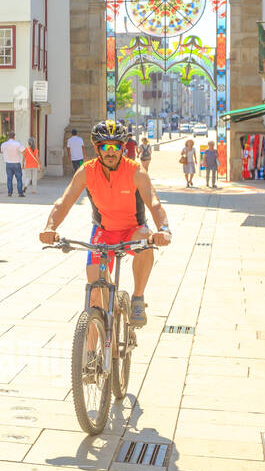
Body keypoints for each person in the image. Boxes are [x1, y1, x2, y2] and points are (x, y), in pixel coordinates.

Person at [39, 120, 172, 337]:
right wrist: (50, 227)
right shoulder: (87, 171)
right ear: (96, 148)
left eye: (116, 146)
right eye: (105, 146)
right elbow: (64, 202)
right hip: (103, 232)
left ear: (123, 147)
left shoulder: (135, 170)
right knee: (95, 297)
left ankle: (137, 297)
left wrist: (164, 229)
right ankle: (90, 359)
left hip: (133, 230)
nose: (111, 152)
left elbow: (154, 203)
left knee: (147, 241)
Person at [0, 133, 25, 197]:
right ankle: (20, 193)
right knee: (19, 179)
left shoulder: (3, 144)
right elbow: (23, 152)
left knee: (9, 179)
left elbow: (2, 152)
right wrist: (23, 162)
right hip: (16, 163)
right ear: (14, 137)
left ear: (8, 137)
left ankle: (10, 192)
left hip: (8, 163)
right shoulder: (18, 144)